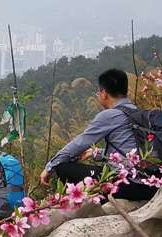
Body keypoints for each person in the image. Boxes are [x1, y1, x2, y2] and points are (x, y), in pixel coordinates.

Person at [41, 68, 152, 199]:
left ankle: (84, 203)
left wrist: (49, 167)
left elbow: (79, 144)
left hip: (127, 185)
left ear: (104, 93)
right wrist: (97, 153)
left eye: (98, 92)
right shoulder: (139, 113)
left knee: (61, 167)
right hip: (149, 183)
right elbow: (133, 150)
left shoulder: (109, 115)